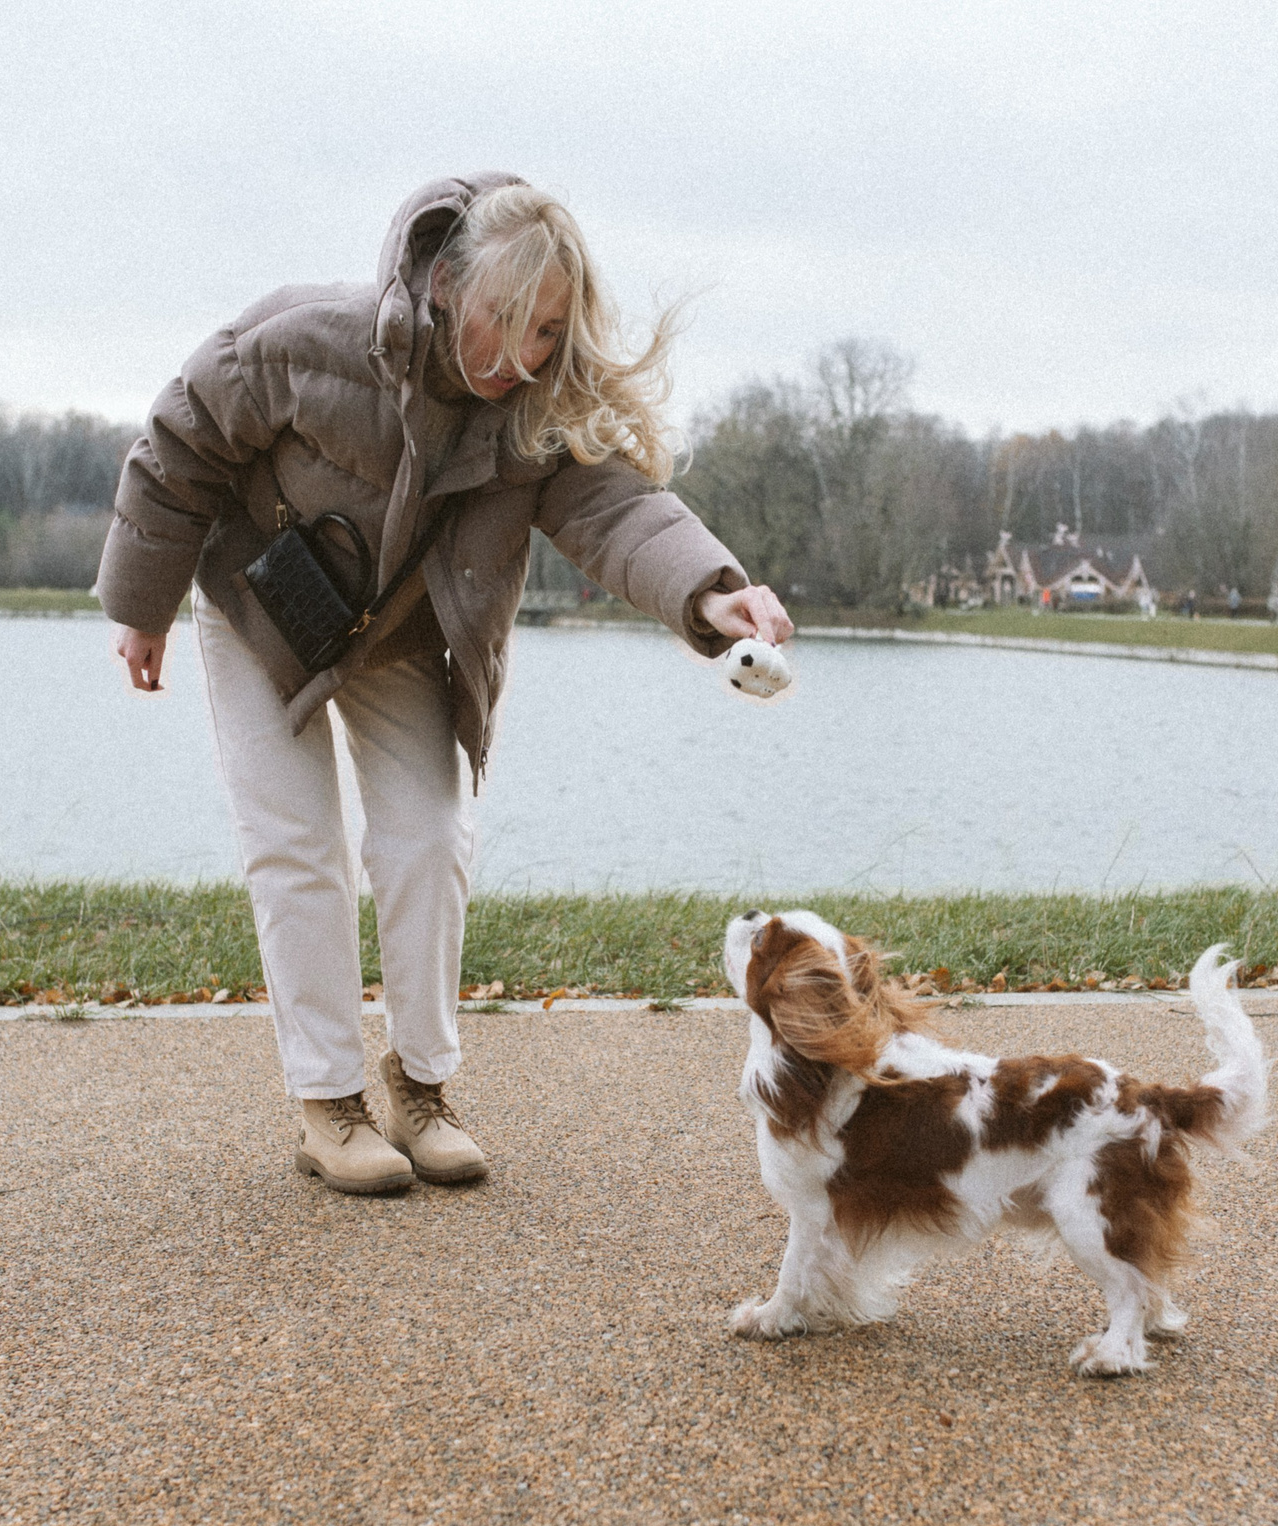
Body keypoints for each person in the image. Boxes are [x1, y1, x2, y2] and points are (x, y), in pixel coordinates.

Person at [96, 175, 790, 1196]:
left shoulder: (535, 412)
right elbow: (179, 440)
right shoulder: (303, 339)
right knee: (296, 846)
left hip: (402, 634)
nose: (523, 356)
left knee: (428, 835)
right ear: (443, 285)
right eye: (503, 322)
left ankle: (420, 1089)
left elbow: (619, 513)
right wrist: (140, 601)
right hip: (257, 605)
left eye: (549, 330)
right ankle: (329, 1104)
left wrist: (713, 593)